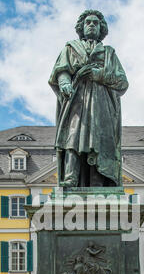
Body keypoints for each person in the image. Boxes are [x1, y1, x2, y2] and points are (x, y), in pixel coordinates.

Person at [49, 9, 128, 187]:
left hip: (102, 105)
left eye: (95, 22)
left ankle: (98, 181)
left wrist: (98, 75)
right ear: (81, 27)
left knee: (100, 141)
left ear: (101, 28)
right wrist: (64, 83)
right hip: (77, 101)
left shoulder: (109, 53)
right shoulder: (70, 48)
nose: (91, 25)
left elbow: (122, 82)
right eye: (88, 22)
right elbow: (61, 71)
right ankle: (70, 178)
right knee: (73, 136)